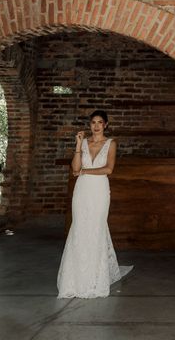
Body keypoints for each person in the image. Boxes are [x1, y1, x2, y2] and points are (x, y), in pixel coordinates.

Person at [57, 110, 132, 298]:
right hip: (82, 191)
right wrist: (77, 145)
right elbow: (75, 169)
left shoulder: (110, 144)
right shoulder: (83, 143)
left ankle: (95, 278)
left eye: (100, 122)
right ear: (90, 125)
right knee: (79, 228)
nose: (96, 126)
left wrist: (85, 172)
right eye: (93, 122)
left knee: (96, 228)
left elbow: (109, 169)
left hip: (99, 190)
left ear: (105, 125)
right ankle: (75, 279)